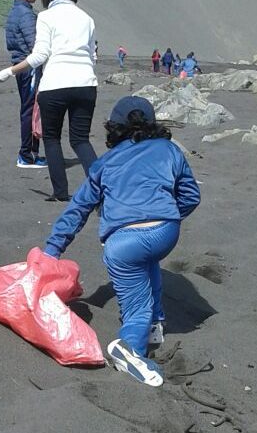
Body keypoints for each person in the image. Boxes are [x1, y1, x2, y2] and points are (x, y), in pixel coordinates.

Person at [42, 96, 200, 386]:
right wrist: (167, 214)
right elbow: (191, 196)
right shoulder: (169, 149)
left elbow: (78, 209)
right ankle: (153, 325)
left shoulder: (104, 163)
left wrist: (52, 250)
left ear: (113, 129)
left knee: (134, 301)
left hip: (122, 241)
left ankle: (129, 348)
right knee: (148, 261)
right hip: (165, 231)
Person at [0, 0, 98, 202]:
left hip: (55, 85)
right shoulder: (86, 18)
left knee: (51, 138)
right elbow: (92, 55)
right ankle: (101, 189)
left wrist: (10, 71)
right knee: (81, 139)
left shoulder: (46, 17)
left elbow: (40, 55)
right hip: (86, 84)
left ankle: (60, 192)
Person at [4, 0, 47, 169]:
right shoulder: (25, 14)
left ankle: (30, 153)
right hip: (28, 67)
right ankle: (27, 155)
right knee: (30, 110)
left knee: (28, 108)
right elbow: (34, 44)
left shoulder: (15, 11)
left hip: (20, 65)